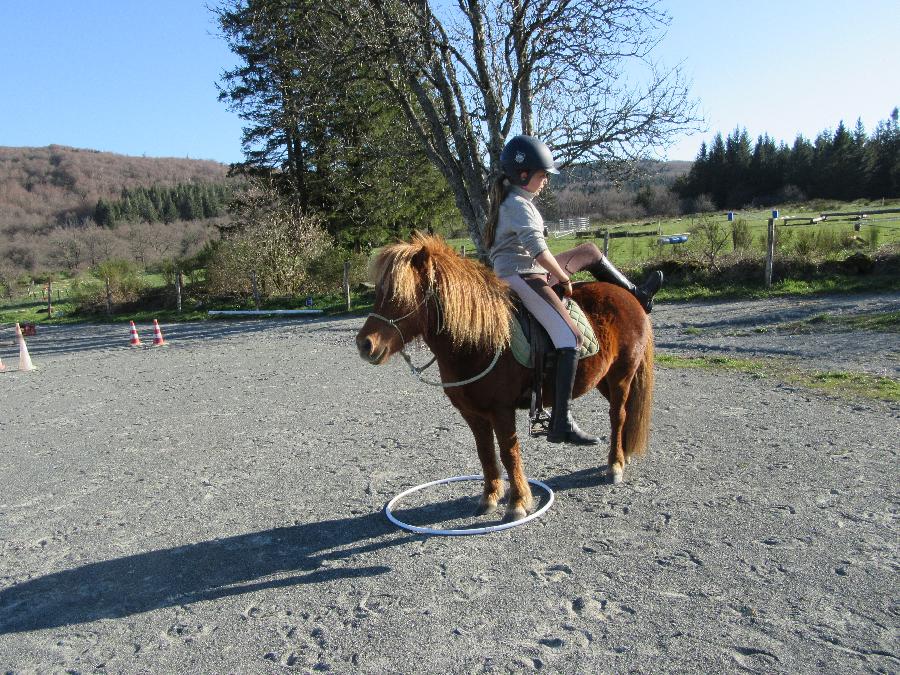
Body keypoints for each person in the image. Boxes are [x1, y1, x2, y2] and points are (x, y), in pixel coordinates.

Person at [484, 135, 663, 446]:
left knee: (589, 252)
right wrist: (561, 278)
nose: (545, 183)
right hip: (521, 277)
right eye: (542, 176)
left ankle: (637, 295)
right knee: (571, 338)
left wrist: (554, 271)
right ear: (524, 175)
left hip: (527, 271)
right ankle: (560, 421)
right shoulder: (518, 205)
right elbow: (538, 251)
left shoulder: (513, 201)